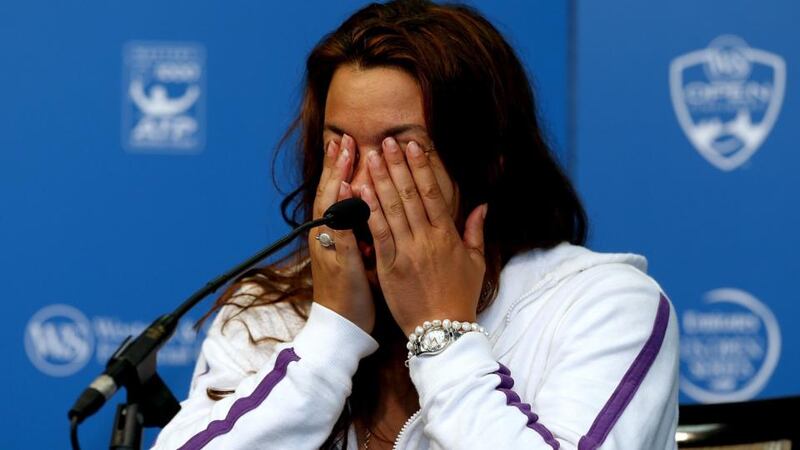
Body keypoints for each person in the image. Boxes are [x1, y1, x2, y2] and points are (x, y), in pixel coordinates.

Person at [153, 1, 679, 449]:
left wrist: (442, 334)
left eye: (399, 152)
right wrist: (330, 337)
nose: (359, 189)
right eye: (339, 148)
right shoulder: (265, 311)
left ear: (489, 161)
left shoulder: (605, 306)